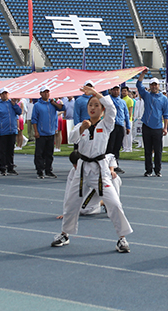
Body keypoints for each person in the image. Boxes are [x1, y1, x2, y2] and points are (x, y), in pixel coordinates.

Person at [52, 84, 133, 253]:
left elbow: (112, 108)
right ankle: (64, 234)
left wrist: (95, 93)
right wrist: (82, 128)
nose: (93, 108)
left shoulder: (107, 124)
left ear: (102, 110)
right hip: (81, 169)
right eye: (91, 105)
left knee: (114, 203)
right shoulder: (81, 125)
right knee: (71, 204)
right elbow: (73, 138)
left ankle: (122, 238)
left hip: (100, 171)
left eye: (97, 105)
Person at [136, 70, 168, 177]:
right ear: (150, 86)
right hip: (146, 125)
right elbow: (138, 84)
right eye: (152, 85)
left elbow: (166, 114)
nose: (154, 86)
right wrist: (143, 74)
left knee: (158, 150)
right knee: (147, 150)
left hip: (157, 127)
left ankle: (157, 170)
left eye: (156, 85)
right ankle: (148, 170)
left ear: (159, 86)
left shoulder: (164, 99)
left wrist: (165, 128)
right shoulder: (146, 95)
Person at [31, 88, 64, 179]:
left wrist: (54, 103)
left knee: (49, 153)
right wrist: (36, 131)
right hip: (41, 133)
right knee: (39, 153)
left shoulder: (53, 104)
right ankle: (40, 170)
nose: (46, 94)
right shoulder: (37, 105)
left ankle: (48, 170)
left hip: (51, 132)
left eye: (47, 92)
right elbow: (34, 119)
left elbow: (63, 108)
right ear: (41, 94)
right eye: (44, 92)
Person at [0, 89, 23, 176]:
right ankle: (2, 167)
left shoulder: (12, 104)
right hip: (3, 131)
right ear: (0, 95)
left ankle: (10, 167)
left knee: (10, 150)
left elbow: (19, 112)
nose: (4, 95)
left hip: (12, 130)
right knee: (2, 150)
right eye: (3, 94)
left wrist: (15, 105)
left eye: (6, 93)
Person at [108, 85, 131, 161]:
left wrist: (128, 126)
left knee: (118, 145)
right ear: (111, 90)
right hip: (111, 125)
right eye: (114, 90)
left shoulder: (122, 101)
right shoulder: (109, 100)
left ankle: (115, 163)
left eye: (117, 90)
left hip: (120, 125)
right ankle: (108, 164)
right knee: (110, 145)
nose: (116, 91)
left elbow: (126, 114)